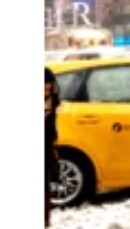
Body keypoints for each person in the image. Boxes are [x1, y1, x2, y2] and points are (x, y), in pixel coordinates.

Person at [45, 67, 61, 227]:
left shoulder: (53, 102)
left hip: (47, 148)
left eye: (49, 83)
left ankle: (45, 219)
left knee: (45, 185)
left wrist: (55, 144)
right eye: (43, 83)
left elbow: (52, 126)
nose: (47, 87)